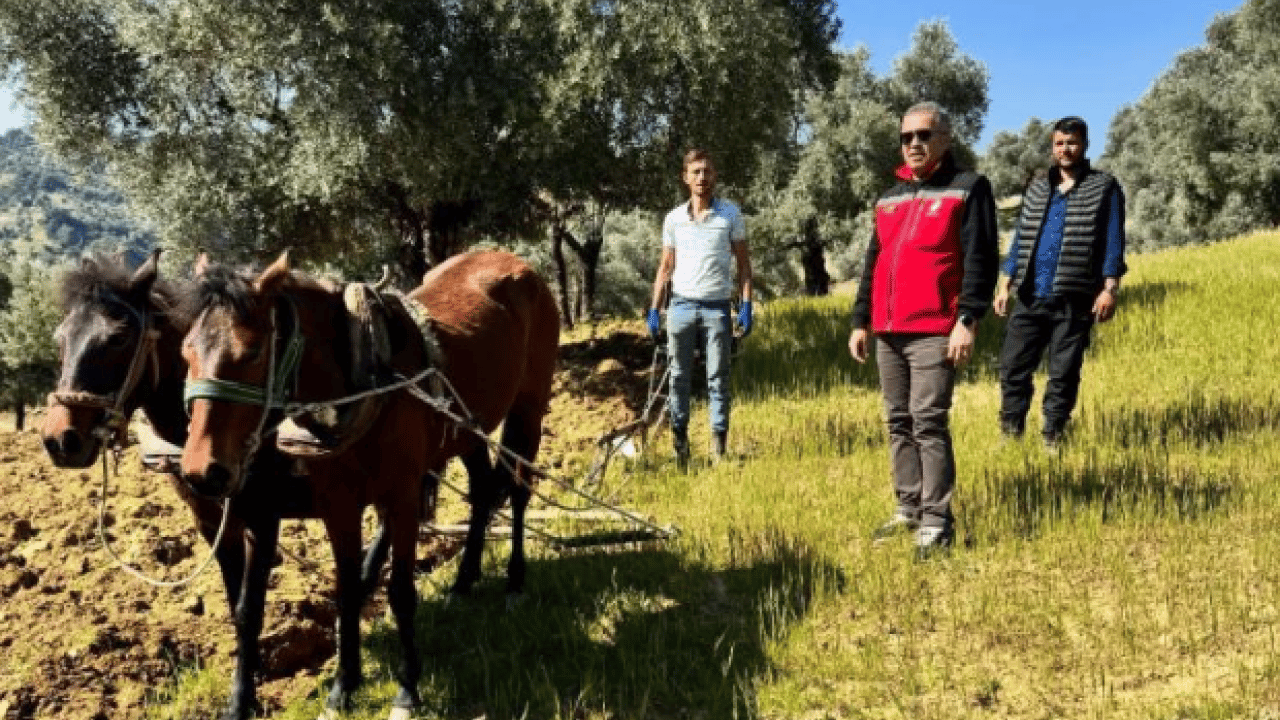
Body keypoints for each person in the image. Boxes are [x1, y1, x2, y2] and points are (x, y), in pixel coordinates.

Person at [848, 102, 999, 558]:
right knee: (898, 421)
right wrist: (860, 320)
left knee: (928, 421)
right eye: (906, 137)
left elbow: (981, 258)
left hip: (936, 327)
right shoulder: (890, 197)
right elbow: (873, 263)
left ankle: (936, 520)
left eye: (923, 135)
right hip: (888, 330)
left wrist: (967, 319)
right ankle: (908, 508)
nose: (914, 143)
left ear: (945, 139)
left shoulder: (967, 189)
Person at [993, 116, 1126, 450]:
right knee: (1012, 368)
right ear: (1052, 147)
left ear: (1084, 145)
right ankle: (1011, 433)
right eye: (1059, 143)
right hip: (1030, 294)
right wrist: (1004, 283)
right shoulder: (1038, 187)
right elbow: (1021, 236)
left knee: (1063, 373)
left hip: (1075, 296)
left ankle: (1053, 436)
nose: (1065, 149)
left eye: (1072, 143)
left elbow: (1113, 240)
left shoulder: (1104, 186)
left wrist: (1109, 288)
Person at [648, 148, 753, 467]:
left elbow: (745, 266)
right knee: (678, 376)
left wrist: (746, 305)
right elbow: (665, 267)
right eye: (695, 172)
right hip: (680, 307)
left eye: (707, 171)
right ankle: (681, 447)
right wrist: (655, 309)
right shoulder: (673, 219)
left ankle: (719, 449)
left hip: (717, 309)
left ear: (715, 176)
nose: (702, 178)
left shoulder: (730, 216)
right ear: (685, 177)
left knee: (718, 378)